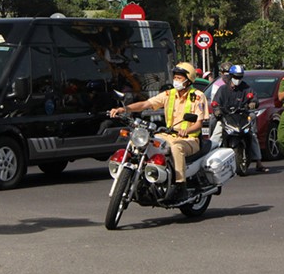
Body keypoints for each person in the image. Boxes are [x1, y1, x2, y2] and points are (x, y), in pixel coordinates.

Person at [108, 62, 208, 201]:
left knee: (176, 148)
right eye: (175, 77)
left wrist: (186, 130)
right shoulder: (168, 94)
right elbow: (146, 104)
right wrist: (124, 109)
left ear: (188, 79)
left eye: (179, 78)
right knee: (144, 142)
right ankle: (140, 175)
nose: (176, 80)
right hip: (167, 134)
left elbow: (199, 123)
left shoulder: (197, 96)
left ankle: (181, 185)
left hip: (189, 139)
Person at [211, 65, 268, 173]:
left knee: (253, 135)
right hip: (227, 117)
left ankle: (259, 163)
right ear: (231, 76)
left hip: (242, 117)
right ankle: (211, 162)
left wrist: (252, 103)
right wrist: (217, 110)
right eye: (236, 77)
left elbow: (254, 99)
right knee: (216, 136)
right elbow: (216, 103)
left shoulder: (246, 88)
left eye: (240, 77)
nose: (238, 80)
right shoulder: (222, 89)